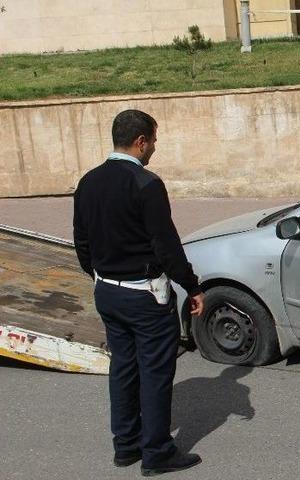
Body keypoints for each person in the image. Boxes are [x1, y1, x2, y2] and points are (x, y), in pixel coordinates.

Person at [73, 109, 205, 476]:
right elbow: (166, 244)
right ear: (141, 141)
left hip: (108, 292)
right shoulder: (146, 183)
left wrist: (101, 275)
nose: (154, 149)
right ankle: (158, 452)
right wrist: (192, 285)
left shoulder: (88, 182)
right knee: (155, 372)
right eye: (154, 141)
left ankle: (126, 445)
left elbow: (81, 242)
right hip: (144, 295)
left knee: (123, 368)